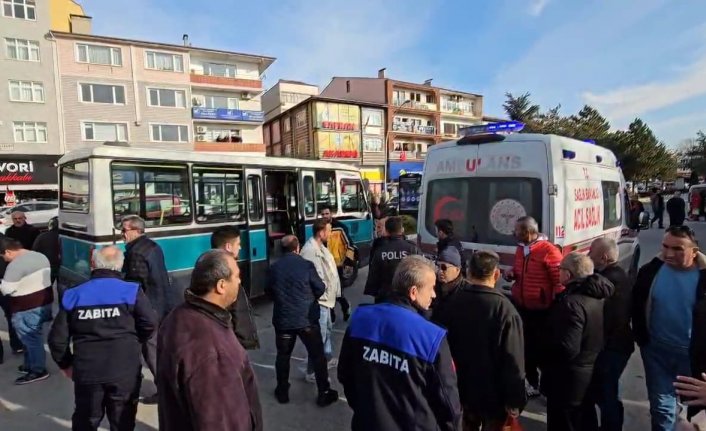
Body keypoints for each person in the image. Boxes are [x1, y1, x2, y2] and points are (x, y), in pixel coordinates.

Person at [338, 255, 462, 431]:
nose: (434, 295)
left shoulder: (360, 319)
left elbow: (345, 374)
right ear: (413, 292)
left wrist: (364, 410)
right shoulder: (432, 337)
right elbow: (448, 403)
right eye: (431, 288)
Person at [48, 246, 157, 431]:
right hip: (125, 369)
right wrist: (134, 341)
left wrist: (66, 364)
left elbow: (57, 339)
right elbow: (150, 324)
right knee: (123, 420)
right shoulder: (131, 291)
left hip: (88, 370)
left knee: (86, 419)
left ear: (93, 264)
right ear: (120, 265)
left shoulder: (74, 294)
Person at [157, 249, 262, 431]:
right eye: (237, 276)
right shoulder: (213, 351)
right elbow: (221, 421)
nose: (239, 281)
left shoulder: (178, 315)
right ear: (221, 285)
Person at [435, 251, 526, 431]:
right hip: (494, 396)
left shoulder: (452, 302)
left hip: (461, 389)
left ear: (468, 272)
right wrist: (515, 400)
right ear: (497, 274)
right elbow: (513, 359)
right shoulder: (505, 310)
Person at [633, 226, 706, 431]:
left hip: (693, 356)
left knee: (695, 413)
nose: (668, 253)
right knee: (661, 408)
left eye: (677, 249)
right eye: (665, 246)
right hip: (656, 351)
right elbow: (636, 305)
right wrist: (642, 338)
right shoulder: (650, 271)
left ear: (694, 251)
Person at [266, 235, 339, 406]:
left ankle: (282, 391)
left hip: (284, 320)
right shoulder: (306, 265)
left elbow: (268, 291)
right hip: (306, 320)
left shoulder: (274, 268)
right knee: (318, 356)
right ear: (297, 248)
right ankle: (324, 392)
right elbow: (320, 287)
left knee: (283, 356)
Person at [544, 252, 613, 431]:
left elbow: (567, 348)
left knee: (564, 422)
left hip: (568, 378)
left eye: (560, 270)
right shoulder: (597, 295)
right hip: (589, 369)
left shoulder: (571, 303)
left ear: (568, 274)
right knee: (584, 418)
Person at [505, 216, 564, 398]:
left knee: (543, 351)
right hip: (522, 307)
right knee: (525, 347)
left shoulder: (548, 250)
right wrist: (511, 274)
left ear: (528, 232)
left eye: (517, 230)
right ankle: (531, 383)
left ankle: (547, 388)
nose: (514, 233)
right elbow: (520, 270)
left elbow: (558, 280)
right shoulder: (521, 249)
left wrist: (557, 306)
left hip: (542, 310)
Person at [121, 215, 172, 404]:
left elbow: (136, 284)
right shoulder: (152, 246)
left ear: (136, 230)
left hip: (149, 308)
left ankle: (165, 392)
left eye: (124, 230)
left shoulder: (136, 253)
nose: (121, 234)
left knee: (152, 352)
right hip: (160, 304)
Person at [588, 238, 634, 431]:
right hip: (617, 345)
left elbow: (606, 319)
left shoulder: (606, 281)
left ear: (604, 257)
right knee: (604, 391)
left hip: (612, 347)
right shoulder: (620, 275)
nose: (589, 256)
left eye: (592, 253)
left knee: (607, 394)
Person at [0, 236, 53, 384]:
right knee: (34, 336)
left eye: (3, 256)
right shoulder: (40, 256)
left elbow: (6, 289)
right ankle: (30, 365)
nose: (4, 259)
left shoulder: (15, 265)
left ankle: (38, 370)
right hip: (44, 303)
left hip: (25, 307)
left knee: (30, 339)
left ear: (9, 251)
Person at [301, 218, 341, 381]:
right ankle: (312, 371)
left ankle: (328, 358)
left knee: (327, 331)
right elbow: (314, 278)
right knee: (319, 338)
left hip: (327, 299)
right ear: (321, 232)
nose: (331, 234)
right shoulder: (310, 251)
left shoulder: (320, 247)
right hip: (320, 301)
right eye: (329, 231)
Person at [211, 225, 259, 350]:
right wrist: (246, 341)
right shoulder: (229, 273)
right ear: (228, 247)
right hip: (231, 345)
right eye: (238, 244)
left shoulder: (207, 268)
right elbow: (239, 312)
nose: (240, 247)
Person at [364, 215, 417, 302]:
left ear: (387, 231)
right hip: (407, 295)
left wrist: (373, 292)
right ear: (402, 230)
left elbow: (373, 272)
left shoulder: (380, 249)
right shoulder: (412, 248)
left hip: (385, 295)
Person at [319, 205, 352, 321]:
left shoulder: (340, 228)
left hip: (338, 266)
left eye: (327, 214)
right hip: (325, 266)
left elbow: (349, 245)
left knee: (338, 293)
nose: (324, 216)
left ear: (331, 214)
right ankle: (331, 317)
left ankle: (345, 307)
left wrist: (348, 264)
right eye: (322, 214)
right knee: (329, 292)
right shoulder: (319, 229)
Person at [0, 233, 24, 362]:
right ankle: (17, 345)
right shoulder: (4, 239)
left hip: (6, 282)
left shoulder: (4, 240)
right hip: (6, 281)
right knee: (11, 315)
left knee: (11, 315)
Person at [430, 247, 467, 322]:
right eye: (438, 266)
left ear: (457, 269)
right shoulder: (432, 285)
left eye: (444, 267)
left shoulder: (465, 291)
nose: (440, 271)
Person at [33, 216, 60, 286]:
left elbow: (34, 251)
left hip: (48, 266)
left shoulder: (42, 236)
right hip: (63, 266)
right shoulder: (65, 236)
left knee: (47, 288)